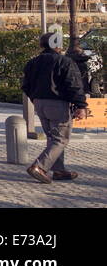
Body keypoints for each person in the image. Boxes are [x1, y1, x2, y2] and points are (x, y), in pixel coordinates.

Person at [22, 32, 89, 183]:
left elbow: (25, 85)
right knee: (60, 139)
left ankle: (59, 170)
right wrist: (81, 105)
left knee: (52, 137)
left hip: (39, 103)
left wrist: (35, 98)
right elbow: (74, 85)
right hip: (57, 103)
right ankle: (40, 167)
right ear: (57, 45)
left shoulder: (32, 62)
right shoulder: (64, 61)